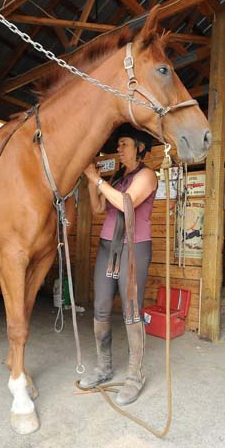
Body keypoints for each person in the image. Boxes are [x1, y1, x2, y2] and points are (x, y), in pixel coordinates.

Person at [79, 128, 158, 406]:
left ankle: (135, 375)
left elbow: (126, 204)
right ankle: (104, 367)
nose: (119, 149)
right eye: (119, 145)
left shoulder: (147, 176)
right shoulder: (118, 178)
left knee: (131, 310)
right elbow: (99, 208)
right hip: (107, 247)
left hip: (133, 249)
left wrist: (96, 179)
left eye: (123, 144)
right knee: (100, 306)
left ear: (139, 147)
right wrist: (93, 182)